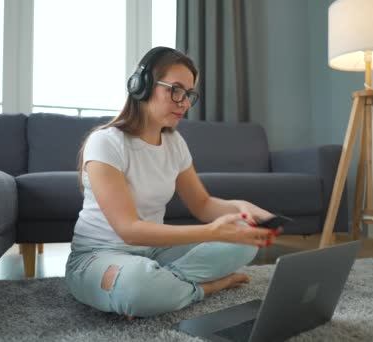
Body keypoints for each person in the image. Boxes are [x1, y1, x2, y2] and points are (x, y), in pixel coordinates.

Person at [65, 47, 282, 318]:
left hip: (155, 251)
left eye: (189, 94)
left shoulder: (174, 143)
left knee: (246, 240)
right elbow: (129, 230)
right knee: (135, 288)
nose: (185, 102)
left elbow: (203, 204)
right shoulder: (106, 142)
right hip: (97, 256)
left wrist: (245, 210)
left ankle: (162, 286)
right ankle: (204, 287)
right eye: (175, 90)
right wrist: (212, 232)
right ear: (141, 86)